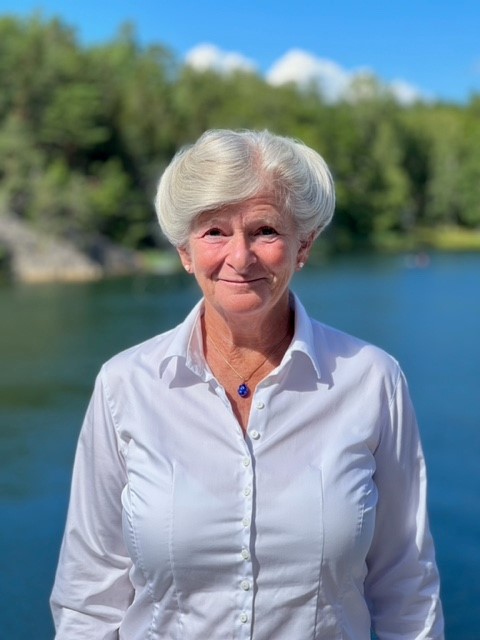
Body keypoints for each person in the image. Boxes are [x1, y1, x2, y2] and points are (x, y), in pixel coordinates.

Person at [50, 129, 444, 639]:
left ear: (303, 245)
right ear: (185, 251)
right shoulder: (125, 385)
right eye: (214, 232)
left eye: (265, 231)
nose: (240, 257)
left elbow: (406, 588)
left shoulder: (372, 380)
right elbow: (89, 599)